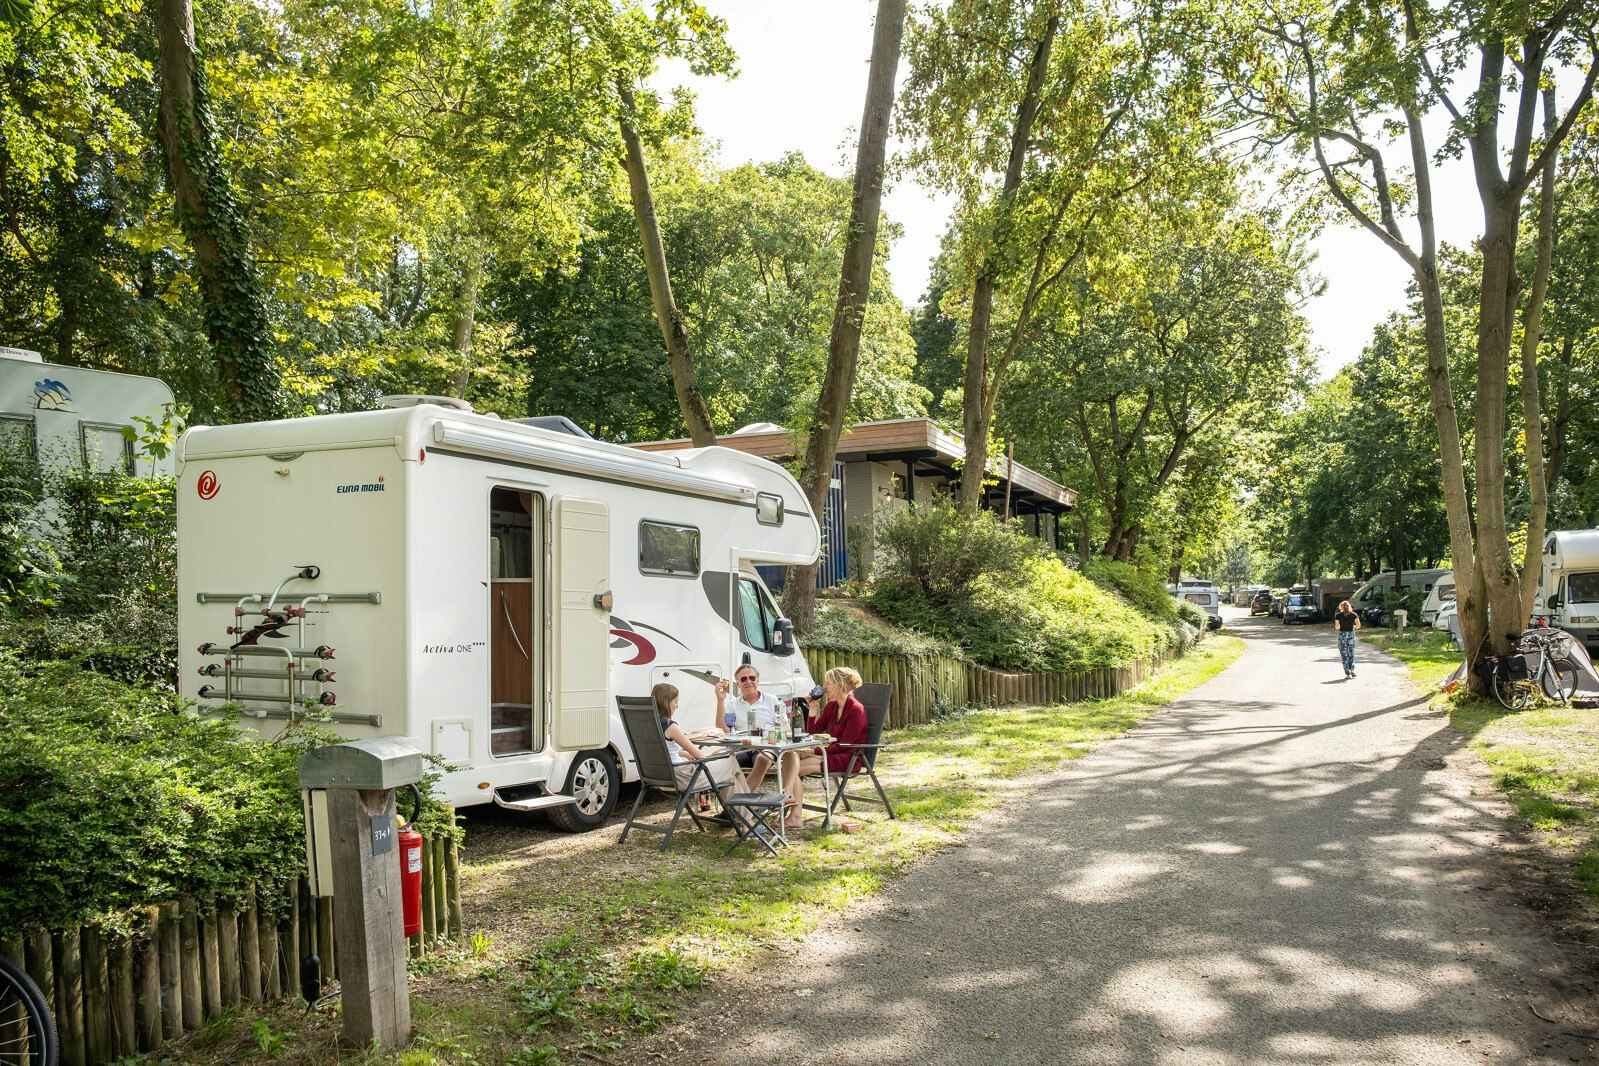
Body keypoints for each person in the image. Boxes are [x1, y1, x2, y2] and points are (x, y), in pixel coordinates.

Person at [775, 666, 868, 831]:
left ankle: (794, 814)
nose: (825, 687)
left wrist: (812, 751)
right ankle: (792, 808)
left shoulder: (856, 710)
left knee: (791, 770)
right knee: (791, 761)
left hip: (848, 757)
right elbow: (813, 731)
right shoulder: (832, 706)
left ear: (840, 685)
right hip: (830, 752)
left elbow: (844, 744)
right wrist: (812, 708)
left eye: (829, 683)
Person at [653, 682, 737, 819]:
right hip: (680, 777)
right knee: (731, 762)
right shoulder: (670, 726)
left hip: (659, 776)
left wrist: (685, 754)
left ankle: (740, 815)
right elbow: (699, 754)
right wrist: (697, 755)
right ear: (666, 702)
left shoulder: (650, 724)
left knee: (727, 776)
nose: (677, 706)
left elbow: (663, 750)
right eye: (676, 701)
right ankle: (746, 816)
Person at [715, 665, 787, 788]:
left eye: (752, 678)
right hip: (743, 746)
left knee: (762, 759)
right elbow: (725, 730)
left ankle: (742, 801)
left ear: (758, 680)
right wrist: (720, 700)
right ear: (738, 683)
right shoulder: (733, 704)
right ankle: (732, 800)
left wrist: (762, 740)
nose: (748, 682)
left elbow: (785, 729)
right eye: (743, 679)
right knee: (717, 757)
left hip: (767, 745)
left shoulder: (772, 700)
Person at [1332, 600, 1361, 679]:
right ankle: (1352, 668)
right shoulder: (1354, 615)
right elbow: (1358, 625)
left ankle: (1347, 673)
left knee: (1344, 654)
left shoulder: (1338, 615)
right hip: (1351, 634)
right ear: (1349, 607)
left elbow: (1337, 627)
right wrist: (1353, 627)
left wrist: (1342, 627)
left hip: (1342, 635)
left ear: (1341, 607)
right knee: (1351, 652)